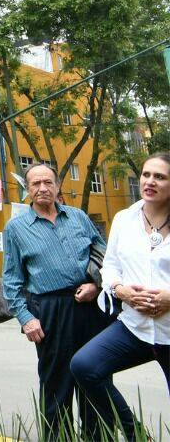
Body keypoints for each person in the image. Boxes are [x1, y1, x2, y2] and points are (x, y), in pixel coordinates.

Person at [3, 162, 126, 440]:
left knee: (96, 377)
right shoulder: (16, 229)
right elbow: (11, 281)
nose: (43, 188)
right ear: (28, 190)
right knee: (56, 385)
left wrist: (96, 284)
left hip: (90, 306)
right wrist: (26, 319)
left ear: (58, 186)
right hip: (49, 311)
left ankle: (98, 437)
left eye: (48, 182)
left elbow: (106, 257)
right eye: (36, 184)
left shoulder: (79, 217)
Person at [71, 152, 170, 439]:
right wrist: (120, 290)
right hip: (135, 327)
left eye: (160, 177)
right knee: (85, 366)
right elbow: (110, 265)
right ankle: (135, 434)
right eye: (146, 174)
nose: (150, 181)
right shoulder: (125, 219)